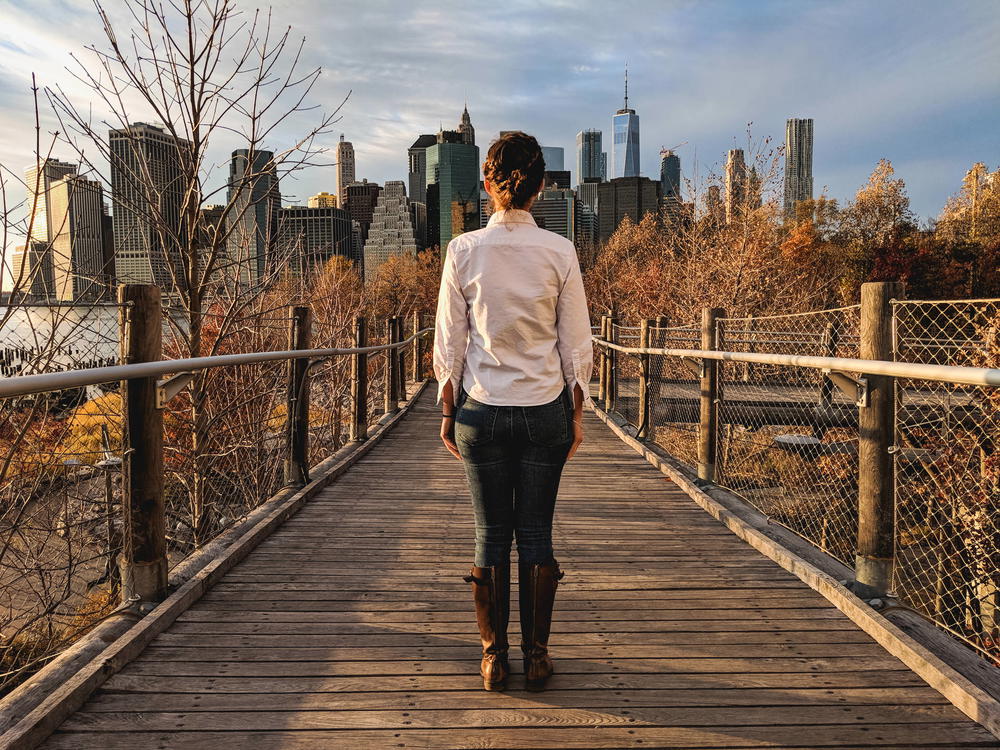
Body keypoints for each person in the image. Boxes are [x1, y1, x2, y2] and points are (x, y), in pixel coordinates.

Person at [432, 130, 594, 692]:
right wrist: (576, 413)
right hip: (544, 409)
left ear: (487, 184)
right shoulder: (560, 251)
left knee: (490, 535)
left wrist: (449, 410)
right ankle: (539, 656)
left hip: (481, 410)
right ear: (541, 187)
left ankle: (493, 656)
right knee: (536, 534)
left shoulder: (463, 250)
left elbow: (450, 343)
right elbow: (575, 343)